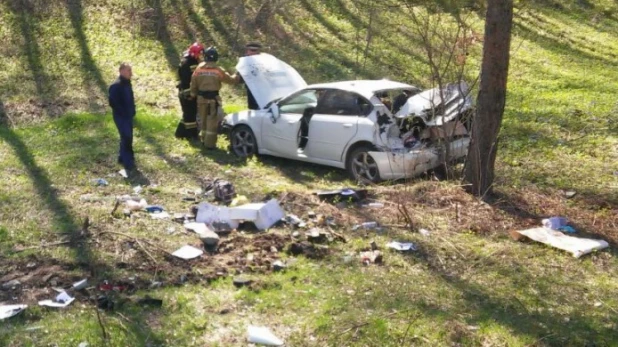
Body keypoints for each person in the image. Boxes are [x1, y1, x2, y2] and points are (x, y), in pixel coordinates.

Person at [190, 47, 236, 149]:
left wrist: (193, 95)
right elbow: (230, 80)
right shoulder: (218, 70)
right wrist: (236, 75)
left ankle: (203, 139)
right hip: (213, 100)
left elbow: (193, 84)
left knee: (203, 120)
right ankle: (209, 144)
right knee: (212, 122)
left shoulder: (198, 69)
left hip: (201, 99)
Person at [108, 62, 136, 175]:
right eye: (129, 71)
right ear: (122, 71)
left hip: (128, 115)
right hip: (121, 116)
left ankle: (122, 157)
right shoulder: (116, 85)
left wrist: (133, 110)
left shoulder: (127, 84)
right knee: (126, 137)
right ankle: (127, 161)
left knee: (127, 136)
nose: (131, 73)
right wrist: (123, 112)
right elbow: (113, 102)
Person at [175, 42, 204, 139]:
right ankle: (191, 136)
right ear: (195, 53)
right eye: (200, 53)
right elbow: (186, 81)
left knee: (188, 114)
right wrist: (190, 94)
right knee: (190, 115)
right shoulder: (189, 63)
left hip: (187, 92)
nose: (201, 56)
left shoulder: (189, 61)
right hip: (186, 93)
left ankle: (179, 133)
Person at [235, 42, 262, 110]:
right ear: (247, 51)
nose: (253, 53)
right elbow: (239, 76)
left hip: (263, 87)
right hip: (251, 87)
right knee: (253, 107)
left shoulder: (263, 60)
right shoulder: (244, 61)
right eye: (251, 50)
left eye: (255, 51)